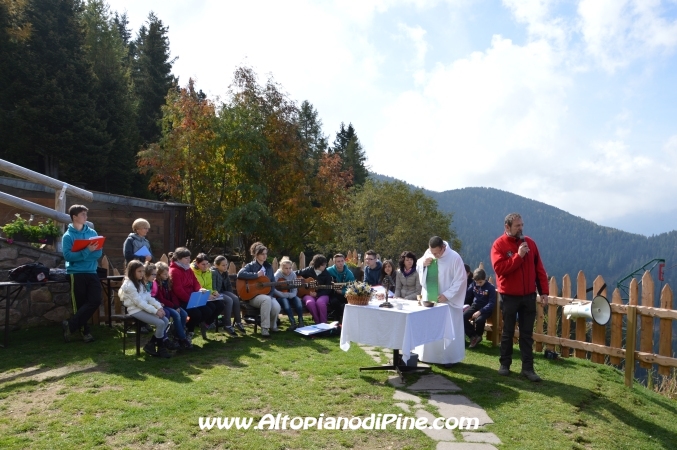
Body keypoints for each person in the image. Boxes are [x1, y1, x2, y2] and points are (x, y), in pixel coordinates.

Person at [491, 213, 549, 382]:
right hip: (509, 296)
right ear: (507, 227)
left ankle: (528, 368)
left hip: (529, 296)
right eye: (517, 226)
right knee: (508, 331)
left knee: (526, 334)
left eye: (522, 225)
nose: (521, 228)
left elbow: (539, 269)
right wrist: (518, 256)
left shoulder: (530, 243)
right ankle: (505, 365)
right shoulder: (499, 245)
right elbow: (500, 269)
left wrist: (543, 291)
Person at [414, 236, 467, 367]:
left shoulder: (455, 257)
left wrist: (447, 295)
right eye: (433, 252)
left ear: (443, 247)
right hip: (431, 299)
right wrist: (423, 264)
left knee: (447, 329)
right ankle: (427, 356)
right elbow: (418, 264)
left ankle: (448, 358)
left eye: (437, 253)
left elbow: (460, 280)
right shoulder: (429, 252)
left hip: (447, 300)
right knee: (429, 326)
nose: (435, 255)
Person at [61, 204, 103, 344]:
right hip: (76, 273)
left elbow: (98, 253)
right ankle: (85, 332)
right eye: (83, 214)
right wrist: (86, 252)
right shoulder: (68, 236)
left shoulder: (92, 233)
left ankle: (71, 325)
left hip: (91, 271)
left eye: (86, 214)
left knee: (96, 300)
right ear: (74, 217)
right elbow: (68, 256)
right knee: (80, 303)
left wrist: (83, 254)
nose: (86, 217)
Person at [118, 260, 171, 358]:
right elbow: (139, 303)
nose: (142, 273)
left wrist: (159, 307)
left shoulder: (140, 283)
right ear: (132, 271)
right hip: (135, 310)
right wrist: (155, 311)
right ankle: (160, 347)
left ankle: (150, 344)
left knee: (165, 320)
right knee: (160, 323)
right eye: (139, 271)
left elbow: (148, 297)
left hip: (143, 308)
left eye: (143, 271)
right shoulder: (129, 285)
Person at [168, 248, 215, 340]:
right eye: (186, 258)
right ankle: (188, 331)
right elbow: (178, 290)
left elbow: (195, 282)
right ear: (178, 259)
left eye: (189, 258)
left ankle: (187, 328)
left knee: (209, 310)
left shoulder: (188, 269)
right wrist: (191, 300)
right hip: (181, 300)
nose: (189, 260)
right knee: (196, 314)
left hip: (193, 298)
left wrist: (200, 289)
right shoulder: (174, 271)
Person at [237, 242, 282, 338]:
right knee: (266, 300)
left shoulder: (269, 267)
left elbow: (272, 283)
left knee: (277, 307)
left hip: (268, 295)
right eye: (262, 254)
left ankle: (272, 325)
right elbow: (240, 274)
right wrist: (256, 275)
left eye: (266, 253)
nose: (265, 256)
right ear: (257, 255)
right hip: (253, 296)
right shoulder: (251, 266)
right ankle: (264, 328)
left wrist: (271, 294)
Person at [154, 261, 192, 350]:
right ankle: (182, 338)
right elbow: (161, 299)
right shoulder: (157, 284)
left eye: (167, 273)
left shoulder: (168, 282)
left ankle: (177, 336)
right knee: (176, 315)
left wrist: (177, 306)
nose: (167, 276)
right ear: (158, 275)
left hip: (172, 305)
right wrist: (173, 306)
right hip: (164, 305)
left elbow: (173, 295)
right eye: (164, 274)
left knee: (184, 314)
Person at [190, 253, 226, 334]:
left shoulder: (208, 271)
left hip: (206, 295)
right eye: (203, 264)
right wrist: (206, 295)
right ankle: (199, 324)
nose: (205, 266)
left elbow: (209, 286)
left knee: (220, 305)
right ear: (197, 263)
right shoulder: (192, 271)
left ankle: (206, 324)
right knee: (211, 307)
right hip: (197, 295)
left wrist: (214, 292)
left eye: (207, 264)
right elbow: (195, 288)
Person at [211, 255, 245, 336]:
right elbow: (213, 287)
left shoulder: (225, 272)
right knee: (229, 301)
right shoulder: (214, 272)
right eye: (223, 265)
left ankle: (238, 322)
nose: (225, 266)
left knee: (235, 298)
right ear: (216, 265)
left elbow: (229, 286)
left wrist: (231, 295)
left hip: (223, 292)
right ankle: (227, 325)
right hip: (216, 294)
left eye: (226, 264)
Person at [463, 268, 496, 348]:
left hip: (486, 309)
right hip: (475, 305)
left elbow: (491, 303)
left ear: (485, 279)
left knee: (479, 320)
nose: (478, 284)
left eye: (480, 282)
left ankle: (478, 335)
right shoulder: (474, 284)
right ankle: (474, 336)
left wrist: (480, 311)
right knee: (462, 317)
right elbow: (467, 294)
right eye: (476, 282)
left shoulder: (490, 288)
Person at [296, 254, 333, 324]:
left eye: (325, 264)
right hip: (308, 294)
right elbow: (295, 273)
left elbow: (328, 290)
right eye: (323, 265)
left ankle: (323, 323)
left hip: (322, 294)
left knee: (320, 303)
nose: (325, 266)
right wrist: (302, 282)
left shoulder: (327, 274)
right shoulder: (309, 270)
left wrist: (317, 294)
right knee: (310, 303)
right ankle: (317, 322)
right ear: (317, 264)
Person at [274, 257, 304, 330]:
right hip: (280, 296)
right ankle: (292, 323)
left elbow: (294, 289)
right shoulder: (277, 274)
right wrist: (282, 295)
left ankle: (301, 321)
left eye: (290, 268)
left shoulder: (293, 274)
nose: (288, 270)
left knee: (298, 301)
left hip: (290, 295)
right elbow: (273, 288)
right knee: (285, 303)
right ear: (282, 268)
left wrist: (290, 295)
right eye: (286, 268)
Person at [326, 253, 355, 322]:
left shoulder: (349, 273)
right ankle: (341, 318)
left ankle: (342, 319)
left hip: (345, 293)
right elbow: (323, 280)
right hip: (332, 293)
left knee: (351, 302)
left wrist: (342, 291)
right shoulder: (329, 271)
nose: (341, 263)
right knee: (334, 301)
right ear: (334, 262)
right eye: (338, 261)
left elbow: (353, 287)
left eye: (342, 261)